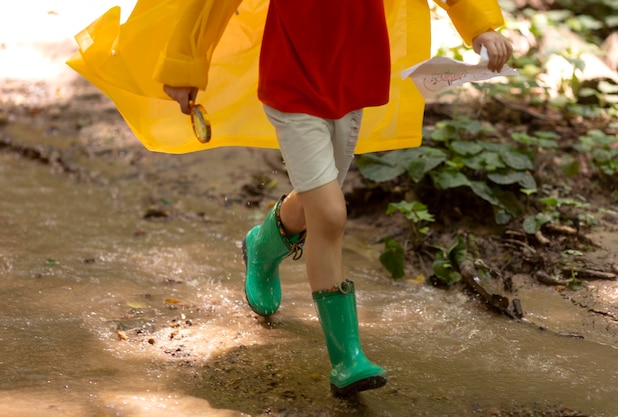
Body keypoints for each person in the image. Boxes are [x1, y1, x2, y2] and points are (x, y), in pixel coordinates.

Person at [162, 0, 512, 397]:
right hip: (291, 83)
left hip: (351, 82)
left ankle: (262, 244)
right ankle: (347, 360)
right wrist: (184, 64)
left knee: (317, 206)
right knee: (329, 213)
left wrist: (480, 24)